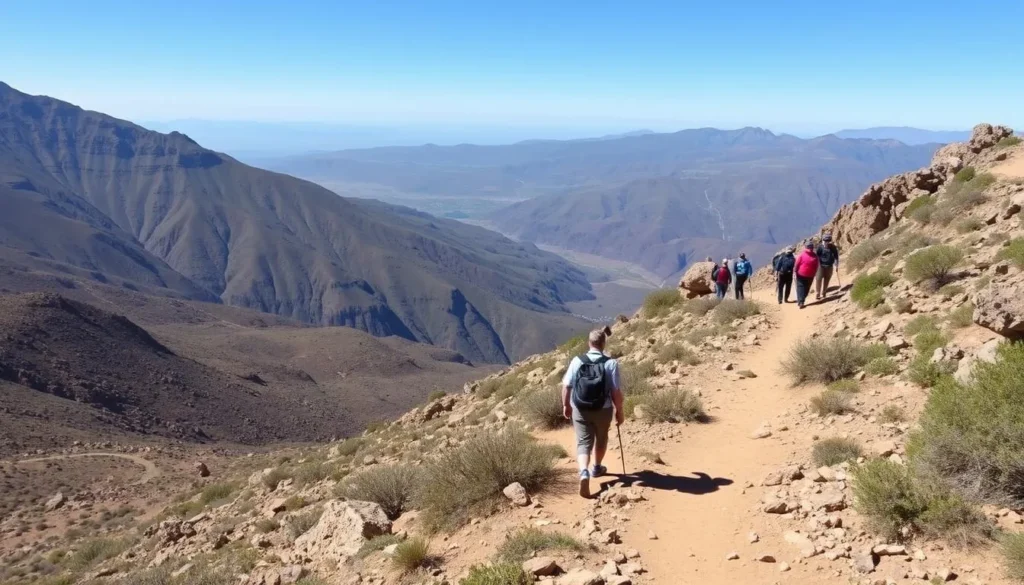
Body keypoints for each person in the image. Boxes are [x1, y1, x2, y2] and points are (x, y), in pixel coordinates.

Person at [562, 326, 624, 498]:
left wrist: (566, 405)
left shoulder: (577, 361)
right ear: (603, 344)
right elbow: (616, 392)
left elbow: (567, 386)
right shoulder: (611, 363)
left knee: (583, 441)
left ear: (589, 343)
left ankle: (584, 472)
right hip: (603, 409)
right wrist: (620, 411)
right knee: (601, 438)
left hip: (580, 409)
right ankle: (597, 468)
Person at [794, 241, 820, 309]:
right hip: (810, 275)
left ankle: (800, 301)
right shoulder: (815, 256)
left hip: (801, 274)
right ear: (812, 247)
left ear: (805, 247)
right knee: (807, 288)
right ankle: (802, 299)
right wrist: (814, 273)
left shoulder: (802, 255)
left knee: (800, 287)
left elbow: (797, 264)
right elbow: (817, 266)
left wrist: (795, 271)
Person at [815, 233, 840, 300]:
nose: (827, 242)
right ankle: (818, 293)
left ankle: (824, 292)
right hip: (820, 266)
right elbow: (816, 256)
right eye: (825, 241)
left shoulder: (833, 247)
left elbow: (836, 256)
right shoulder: (820, 247)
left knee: (827, 279)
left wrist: (836, 264)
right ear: (823, 240)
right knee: (818, 279)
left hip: (829, 266)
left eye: (828, 241)